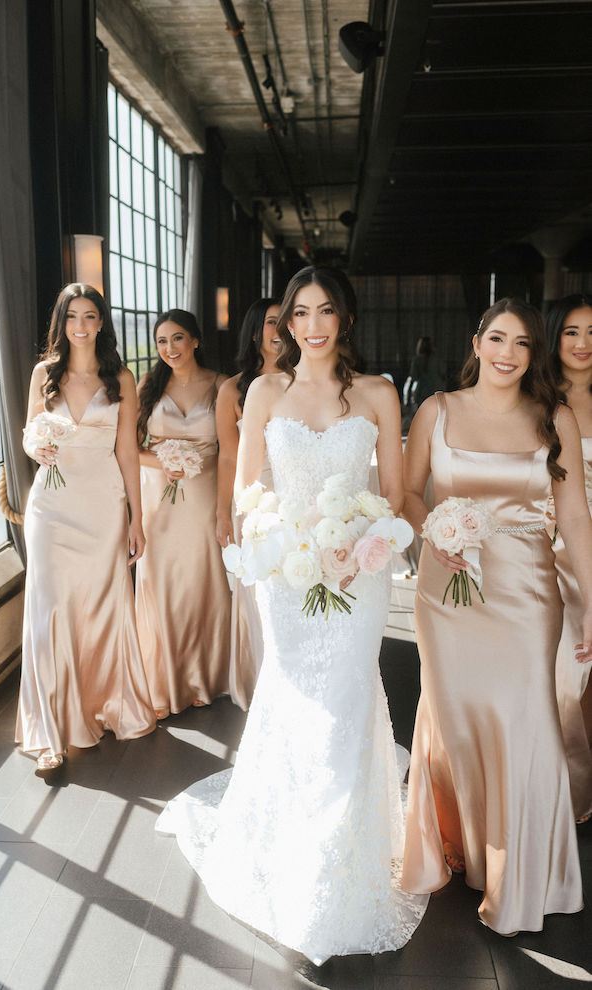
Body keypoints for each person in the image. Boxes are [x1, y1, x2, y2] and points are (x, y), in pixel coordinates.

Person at [156, 266, 428, 964]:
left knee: (343, 709)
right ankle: (290, 855)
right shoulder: (265, 392)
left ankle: (340, 871)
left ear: (345, 318)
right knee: (295, 703)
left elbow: (394, 494)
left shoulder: (376, 394)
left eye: (324, 310)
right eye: (299, 312)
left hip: (356, 576)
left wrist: (357, 544)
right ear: (285, 321)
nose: (311, 325)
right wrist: (280, 543)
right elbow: (247, 491)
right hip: (287, 577)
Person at [401, 297, 592, 936]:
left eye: (523, 344)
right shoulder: (437, 409)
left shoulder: (553, 418)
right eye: (498, 339)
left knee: (525, 722)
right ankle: (461, 848)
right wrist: (434, 532)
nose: (508, 354)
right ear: (477, 341)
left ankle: (523, 876)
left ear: (534, 356)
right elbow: (405, 490)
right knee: (456, 719)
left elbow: (574, 521)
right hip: (447, 591)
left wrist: (590, 606)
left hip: (526, 596)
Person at [16, 283, 156, 771]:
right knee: (50, 609)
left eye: (89, 315)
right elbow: (31, 432)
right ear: (62, 322)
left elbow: (126, 454)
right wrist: (39, 448)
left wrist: (137, 517)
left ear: (101, 322)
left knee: (99, 607)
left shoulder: (121, 377)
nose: (81, 325)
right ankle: (50, 733)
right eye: (72, 316)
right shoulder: (43, 374)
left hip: (102, 505)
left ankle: (107, 703)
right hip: (51, 506)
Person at [135, 309, 231, 718]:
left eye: (177, 338)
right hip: (159, 501)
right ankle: (164, 680)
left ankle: (204, 677)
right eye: (161, 341)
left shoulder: (222, 385)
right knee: (162, 585)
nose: (169, 348)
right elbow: (128, 448)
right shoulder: (147, 386)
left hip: (206, 496)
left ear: (195, 340)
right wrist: (163, 463)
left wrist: (226, 510)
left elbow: (231, 451)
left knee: (203, 582)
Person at [215, 296, 280, 709]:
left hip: (301, 499)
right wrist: (224, 512)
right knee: (257, 594)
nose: (281, 330)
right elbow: (227, 455)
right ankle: (262, 680)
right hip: (254, 502)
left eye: (287, 321)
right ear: (256, 331)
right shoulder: (232, 389)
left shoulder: (305, 383)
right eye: (273, 322)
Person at [547, 293, 592, 823]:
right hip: (558, 549)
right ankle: (567, 796)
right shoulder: (538, 402)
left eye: (591, 332)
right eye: (572, 331)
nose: (583, 344)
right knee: (566, 672)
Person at [403, 336, 443, 408]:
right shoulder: (438, 359)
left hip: (422, 391)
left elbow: (413, 377)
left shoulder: (417, 360)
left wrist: (408, 399)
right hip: (436, 389)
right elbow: (443, 374)